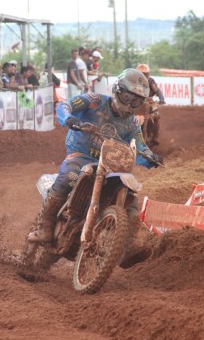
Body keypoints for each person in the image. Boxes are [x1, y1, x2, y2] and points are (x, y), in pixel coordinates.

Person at [27, 68, 163, 244]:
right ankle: (45, 227)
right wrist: (69, 119)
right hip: (81, 154)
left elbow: (141, 147)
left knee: (131, 199)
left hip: (110, 163)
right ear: (118, 90)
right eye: (128, 97)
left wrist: (152, 158)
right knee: (70, 174)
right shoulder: (94, 100)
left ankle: (126, 246)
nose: (130, 103)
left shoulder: (133, 123)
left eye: (136, 100)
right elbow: (64, 106)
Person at [136, 64, 165, 147]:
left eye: (145, 74)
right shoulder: (133, 81)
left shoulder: (151, 81)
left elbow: (157, 90)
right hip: (135, 101)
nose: (144, 76)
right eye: (142, 74)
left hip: (149, 101)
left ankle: (156, 137)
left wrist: (161, 99)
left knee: (156, 115)